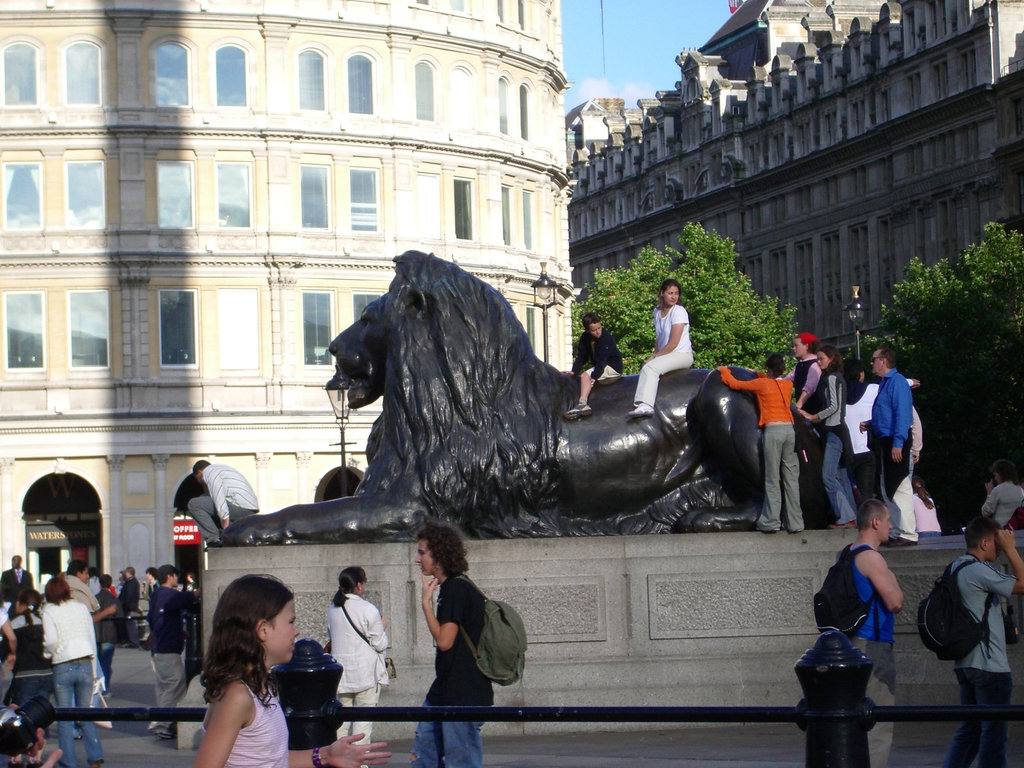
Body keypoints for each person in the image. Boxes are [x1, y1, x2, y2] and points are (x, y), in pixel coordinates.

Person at [192, 574, 390, 768]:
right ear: (263, 629)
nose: (296, 631)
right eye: (290, 621)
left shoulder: (257, 687)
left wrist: (326, 755)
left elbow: (269, 758)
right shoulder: (237, 695)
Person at [942, 516, 1024, 768]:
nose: (999, 549)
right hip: (989, 665)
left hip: (965, 662)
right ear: (986, 542)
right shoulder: (978, 570)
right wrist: (1012, 550)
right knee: (994, 732)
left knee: (971, 729)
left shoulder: (954, 568)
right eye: (997, 543)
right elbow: (1022, 584)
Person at [411, 520, 492, 768]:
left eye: (422, 552)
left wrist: (426, 604)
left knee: (460, 761)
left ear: (439, 555)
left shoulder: (456, 588)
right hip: (445, 690)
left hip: (462, 693)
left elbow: (445, 641)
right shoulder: (453, 587)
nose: (417, 559)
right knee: (424, 752)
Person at [848, 499, 904, 768]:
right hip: (874, 644)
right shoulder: (872, 558)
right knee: (878, 721)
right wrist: (892, 579)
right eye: (888, 520)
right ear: (875, 522)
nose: (891, 525)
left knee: (853, 719)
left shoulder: (846, 554)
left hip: (851, 645)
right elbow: (895, 602)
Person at [718, 354, 803, 534]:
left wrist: (723, 370)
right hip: (790, 431)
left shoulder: (762, 384)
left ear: (769, 369)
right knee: (791, 478)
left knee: (772, 478)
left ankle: (771, 521)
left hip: (773, 431)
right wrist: (759, 372)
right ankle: (795, 522)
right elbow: (771, 382)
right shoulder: (787, 385)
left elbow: (734, 383)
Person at [41, 575, 104, 768]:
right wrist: (94, 670)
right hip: (85, 660)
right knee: (85, 713)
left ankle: (69, 761)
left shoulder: (49, 611)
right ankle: (95, 756)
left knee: (64, 717)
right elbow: (91, 637)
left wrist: (47, 652)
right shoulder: (81, 608)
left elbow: (51, 640)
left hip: (63, 664)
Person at [861, 347, 917, 546]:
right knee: (888, 488)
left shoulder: (897, 382)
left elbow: (903, 415)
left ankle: (908, 532)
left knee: (899, 486)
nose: (871, 363)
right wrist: (870, 423)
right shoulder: (886, 383)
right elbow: (886, 413)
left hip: (895, 440)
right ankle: (897, 530)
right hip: (886, 440)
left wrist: (898, 443)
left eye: (874, 359)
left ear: (883, 361)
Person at [327, 567, 389, 743]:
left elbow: (331, 638)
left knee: (340, 723)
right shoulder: (368, 609)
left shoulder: (333, 609)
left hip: (342, 676)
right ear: (359, 586)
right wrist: (383, 627)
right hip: (366, 674)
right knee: (363, 723)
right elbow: (380, 644)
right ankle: (359, 763)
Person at [799, 345, 857, 528]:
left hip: (834, 431)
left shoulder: (832, 378)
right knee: (841, 476)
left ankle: (845, 516)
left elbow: (834, 407)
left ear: (831, 359)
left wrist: (812, 417)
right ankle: (852, 516)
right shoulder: (836, 377)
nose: (818, 361)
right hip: (837, 432)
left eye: (821, 358)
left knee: (828, 476)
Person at [627, 279, 693, 419]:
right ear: (662, 293)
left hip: (681, 354)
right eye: (670, 293)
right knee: (645, 367)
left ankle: (646, 405)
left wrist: (654, 358)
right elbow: (660, 337)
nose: (674, 297)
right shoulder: (657, 312)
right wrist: (654, 354)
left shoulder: (679, 311)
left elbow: (673, 343)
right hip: (667, 354)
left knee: (651, 368)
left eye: (676, 293)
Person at [147, 564, 197, 740]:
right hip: (167, 648)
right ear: (169, 576)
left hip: (159, 648)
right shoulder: (170, 594)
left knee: (164, 686)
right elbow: (189, 597)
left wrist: (179, 629)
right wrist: (198, 592)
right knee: (175, 683)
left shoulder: (156, 596)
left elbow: (156, 619)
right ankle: (163, 723)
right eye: (176, 576)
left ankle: (161, 720)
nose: (178, 579)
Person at [563, 312, 624, 420]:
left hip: (612, 367)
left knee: (584, 376)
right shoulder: (585, 338)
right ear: (587, 330)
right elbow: (582, 356)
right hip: (601, 366)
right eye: (594, 330)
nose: (598, 332)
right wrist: (574, 371)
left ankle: (582, 404)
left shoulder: (605, 337)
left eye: (599, 328)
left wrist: (593, 377)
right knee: (583, 375)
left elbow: (602, 360)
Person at [187, 460, 259, 547]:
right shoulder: (220, 469)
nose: (199, 482)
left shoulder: (209, 472)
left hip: (241, 508)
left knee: (194, 504)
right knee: (204, 497)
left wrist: (225, 523)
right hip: (248, 509)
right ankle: (222, 533)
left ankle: (213, 539)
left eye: (197, 478)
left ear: (199, 472)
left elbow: (218, 495)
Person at [6, 589, 52, 707]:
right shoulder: (45, 622)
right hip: (47, 673)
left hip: (25, 674)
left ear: (22, 604)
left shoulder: (14, 624)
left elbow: (7, 647)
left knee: (26, 717)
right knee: (41, 715)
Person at [843, 358, 877, 503]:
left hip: (845, 451)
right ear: (861, 374)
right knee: (866, 496)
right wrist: (910, 382)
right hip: (866, 449)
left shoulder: (838, 393)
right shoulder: (873, 389)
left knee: (847, 495)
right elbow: (892, 388)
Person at [94, 575, 122, 693]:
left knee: (98, 663)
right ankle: (105, 688)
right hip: (109, 633)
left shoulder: (95, 598)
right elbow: (120, 617)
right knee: (106, 663)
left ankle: (97, 687)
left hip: (96, 634)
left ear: (99, 584)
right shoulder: (114, 599)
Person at [981, 459, 1023, 528]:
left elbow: (985, 512)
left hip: (1002, 530)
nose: (995, 478)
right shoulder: (1020, 489)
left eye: (995, 475)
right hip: (1018, 530)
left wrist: (989, 493)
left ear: (1000, 474)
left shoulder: (998, 490)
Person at [786, 332, 822, 411]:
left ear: (806, 346)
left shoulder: (814, 364)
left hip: (813, 409)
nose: (793, 348)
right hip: (804, 409)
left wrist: (798, 405)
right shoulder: (800, 365)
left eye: (796, 345)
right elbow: (787, 380)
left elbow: (809, 388)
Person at [118, 566, 141, 648]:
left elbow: (129, 595)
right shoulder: (132, 582)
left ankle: (134, 642)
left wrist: (125, 604)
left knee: (132, 625)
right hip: (130, 607)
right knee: (130, 625)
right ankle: (132, 641)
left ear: (128, 573)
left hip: (130, 607)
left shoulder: (131, 582)